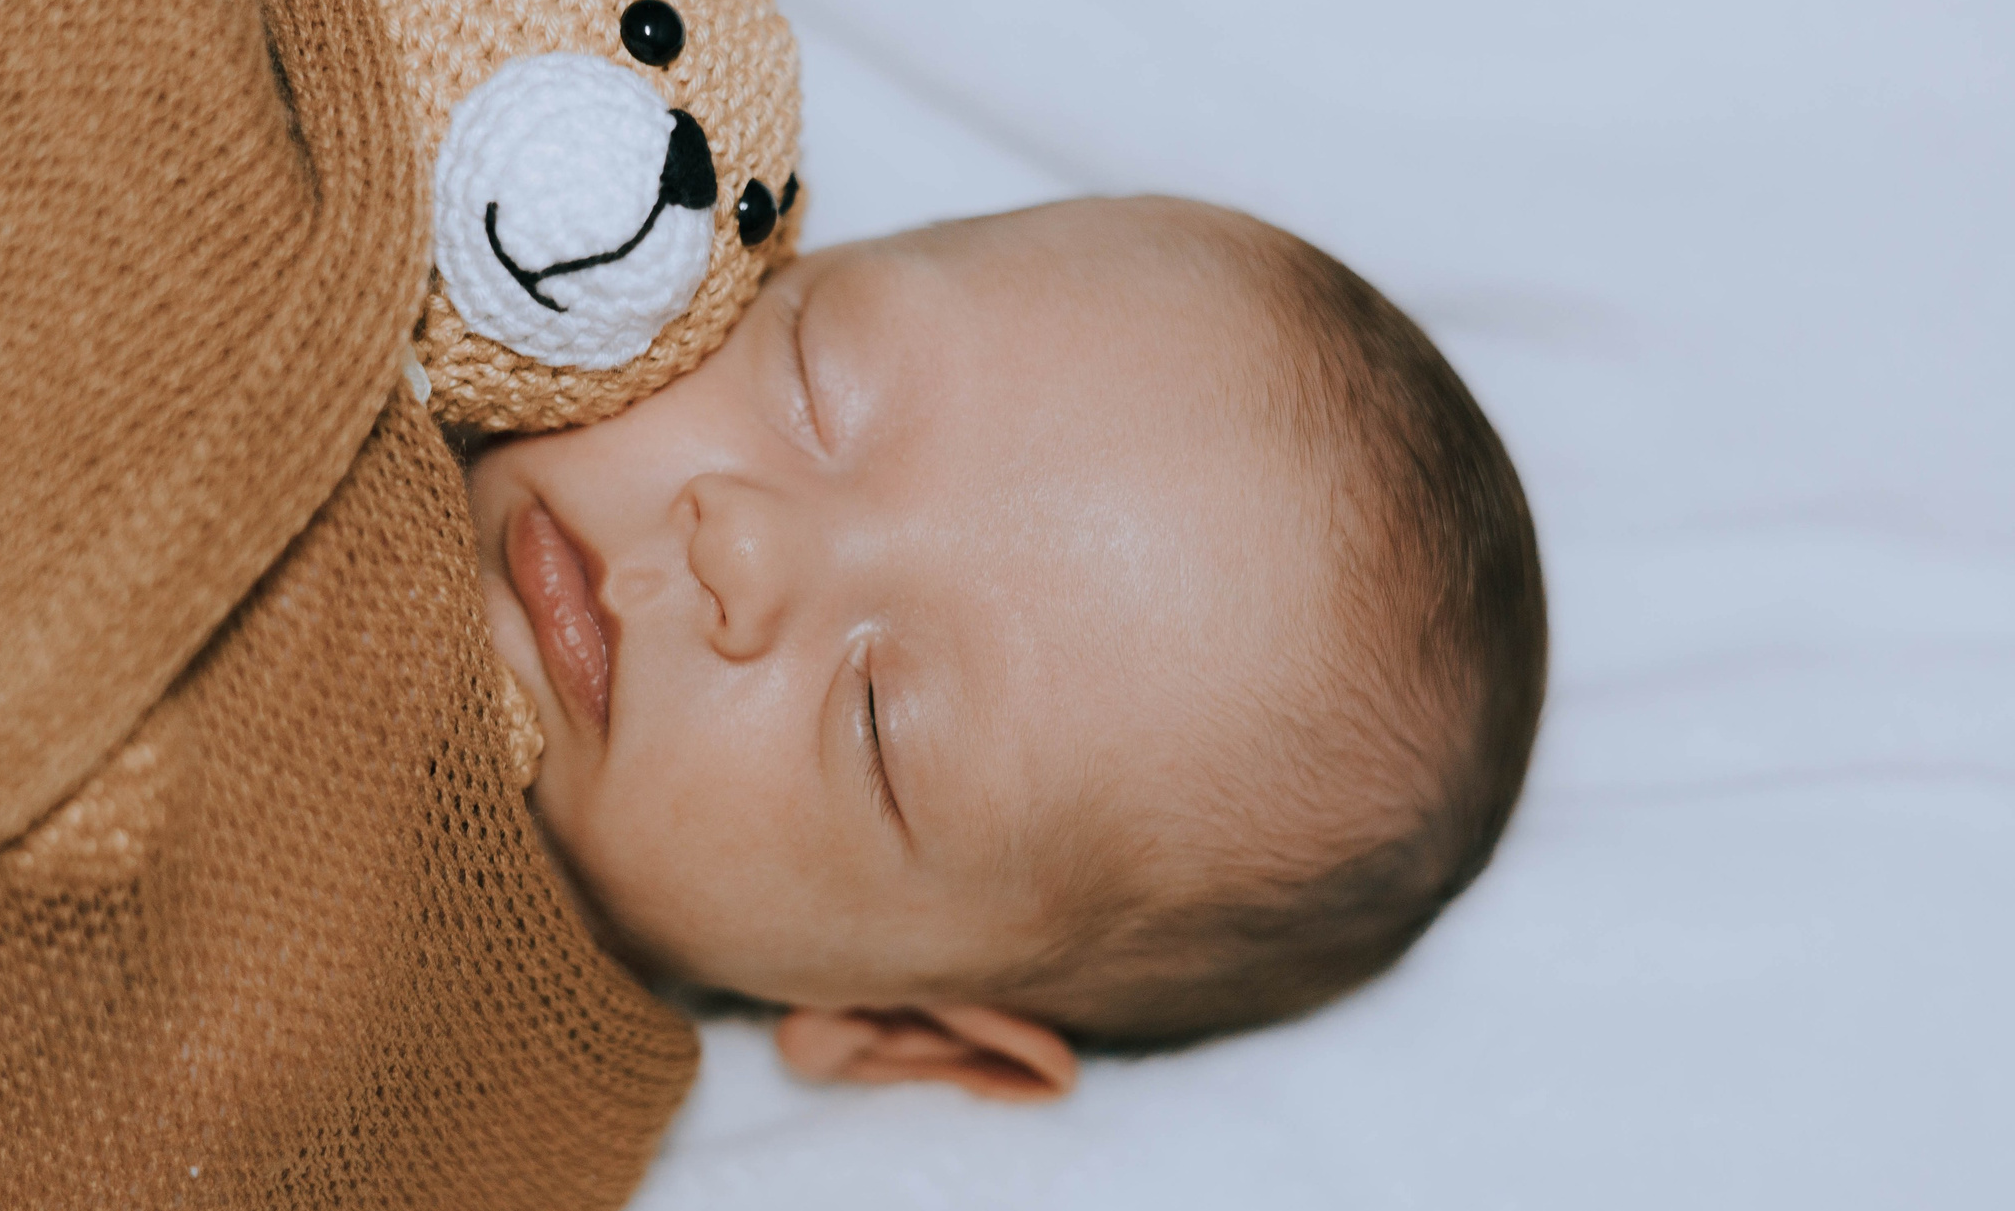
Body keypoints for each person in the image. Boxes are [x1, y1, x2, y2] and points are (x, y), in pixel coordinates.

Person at [469, 196, 1548, 1101]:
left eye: (878, 721)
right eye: (814, 380)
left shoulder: (470, 1123)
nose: (741, 548)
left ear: (899, 1028)